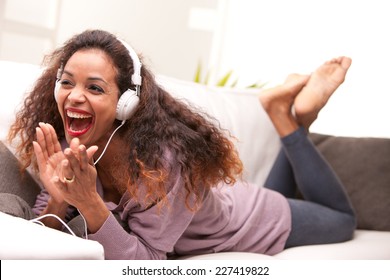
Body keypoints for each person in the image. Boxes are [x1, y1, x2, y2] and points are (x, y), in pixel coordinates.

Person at [4, 29, 355, 259]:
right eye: (66, 82)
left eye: (95, 88)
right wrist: (59, 199)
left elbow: (147, 264)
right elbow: (47, 231)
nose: (74, 96)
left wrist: (89, 203)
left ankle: (287, 117)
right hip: (227, 205)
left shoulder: (163, 164)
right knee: (289, 193)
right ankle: (292, 115)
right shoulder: (70, 146)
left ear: (126, 103)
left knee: (343, 221)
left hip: (251, 220)